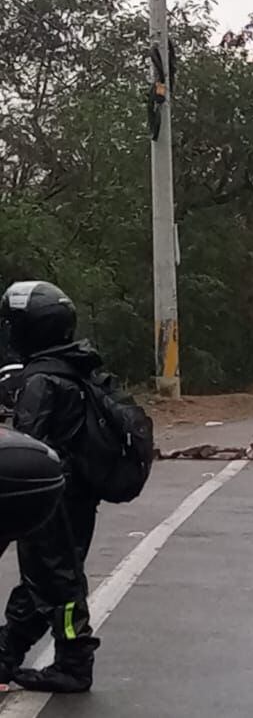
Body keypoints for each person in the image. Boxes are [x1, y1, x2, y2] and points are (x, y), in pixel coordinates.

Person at [0, 281, 103, 692]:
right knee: (45, 579)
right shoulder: (75, 367)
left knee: (59, 582)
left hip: (47, 496)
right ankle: (6, 652)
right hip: (77, 492)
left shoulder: (42, 380)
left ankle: (74, 662)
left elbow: (27, 447)